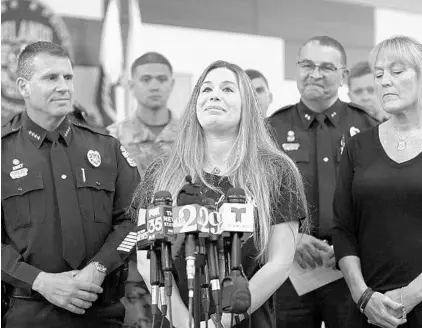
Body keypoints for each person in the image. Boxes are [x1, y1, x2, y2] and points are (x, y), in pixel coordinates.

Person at [133, 60, 309, 328]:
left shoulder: (276, 171)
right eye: (206, 90)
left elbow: (279, 263)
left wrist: (220, 324)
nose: (214, 95)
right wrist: (185, 324)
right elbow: (148, 262)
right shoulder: (161, 171)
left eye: (228, 89)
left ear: (247, 105)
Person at [1, 41, 140, 328]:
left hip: (100, 310)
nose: (64, 86)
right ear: (23, 87)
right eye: (51, 78)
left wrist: (100, 267)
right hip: (29, 312)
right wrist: (39, 281)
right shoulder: (3, 153)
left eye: (68, 77)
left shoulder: (107, 147)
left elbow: (136, 218)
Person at [267, 35, 378, 328]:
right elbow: (256, 196)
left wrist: (347, 246)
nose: (314, 74)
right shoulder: (272, 129)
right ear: (296, 69)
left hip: (351, 268)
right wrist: (292, 238)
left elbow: (378, 201)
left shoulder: (368, 128)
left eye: (326, 67)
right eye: (307, 65)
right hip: (288, 269)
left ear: (343, 76)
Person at [333, 35, 422, 328]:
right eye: (380, 74)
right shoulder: (358, 147)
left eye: (397, 72)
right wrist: (363, 296)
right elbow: (343, 229)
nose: (384, 81)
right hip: (366, 310)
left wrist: (408, 297)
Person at [107, 52, 179, 328]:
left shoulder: (191, 135)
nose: (154, 85)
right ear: (131, 84)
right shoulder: (111, 137)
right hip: (129, 257)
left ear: (172, 83)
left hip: (181, 252)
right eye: (146, 79)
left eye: (162, 79)